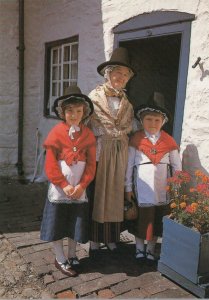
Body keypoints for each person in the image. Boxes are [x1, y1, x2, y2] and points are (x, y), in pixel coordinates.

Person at [40, 86, 96, 277]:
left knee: (75, 222)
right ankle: (60, 257)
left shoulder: (87, 135)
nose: (74, 115)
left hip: (79, 189)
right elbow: (50, 164)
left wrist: (82, 185)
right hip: (60, 188)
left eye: (78, 111)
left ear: (84, 112)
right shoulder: (56, 133)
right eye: (70, 111)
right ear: (63, 112)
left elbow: (90, 165)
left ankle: (72, 254)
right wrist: (64, 184)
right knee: (58, 223)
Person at [87, 47, 136, 255]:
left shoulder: (127, 103)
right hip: (100, 152)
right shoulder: (94, 97)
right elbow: (89, 124)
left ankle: (111, 237)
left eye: (125, 75)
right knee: (99, 193)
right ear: (108, 73)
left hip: (119, 152)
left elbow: (130, 126)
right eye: (118, 73)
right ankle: (95, 239)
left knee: (115, 194)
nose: (121, 77)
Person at [125, 98, 182, 264]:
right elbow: (129, 166)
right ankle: (139, 249)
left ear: (163, 122)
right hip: (141, 187)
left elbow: (176, 165)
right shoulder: (136, 139)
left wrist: (176, 186)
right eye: (149, 119)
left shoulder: (168, 140)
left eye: (157, 120)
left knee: (156, 219)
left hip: (161, 188)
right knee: (141, 218)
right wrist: (127, 186)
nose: (153, 123)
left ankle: (150, 249)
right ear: (142, 121)